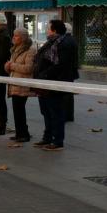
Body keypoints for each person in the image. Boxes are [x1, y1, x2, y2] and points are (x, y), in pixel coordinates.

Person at [33, 19, 79, 151]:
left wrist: (45, 74)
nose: (47, 30)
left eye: (48, 28)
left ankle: (57, 141)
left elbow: (60, 65)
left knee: (55, 112)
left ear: (55, 30)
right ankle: (47, 137)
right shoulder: (53, 41)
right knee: (47, 111)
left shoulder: (64, 43)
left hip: (55, 82)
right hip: (46, 82)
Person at [4, 28, 36, 143]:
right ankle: (19, 133)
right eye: (14, 35)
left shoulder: (30, 50)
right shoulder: (15, 49)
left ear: (22, 38)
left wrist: (12, 66)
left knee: (20, 109)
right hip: (14, 83)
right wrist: (7, 67)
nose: (13, 38)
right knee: (17, 110)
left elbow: (29, 68)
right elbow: (11, 67)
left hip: (23, 84)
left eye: (16, 36)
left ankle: (24, 134)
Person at [63, 23, 77, 122]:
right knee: (68, 94)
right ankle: (69, 115)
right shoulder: (72, 40)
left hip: (66, 71)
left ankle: (66, 115)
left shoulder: (65, 41)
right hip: (70, 70)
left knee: (65, 94)